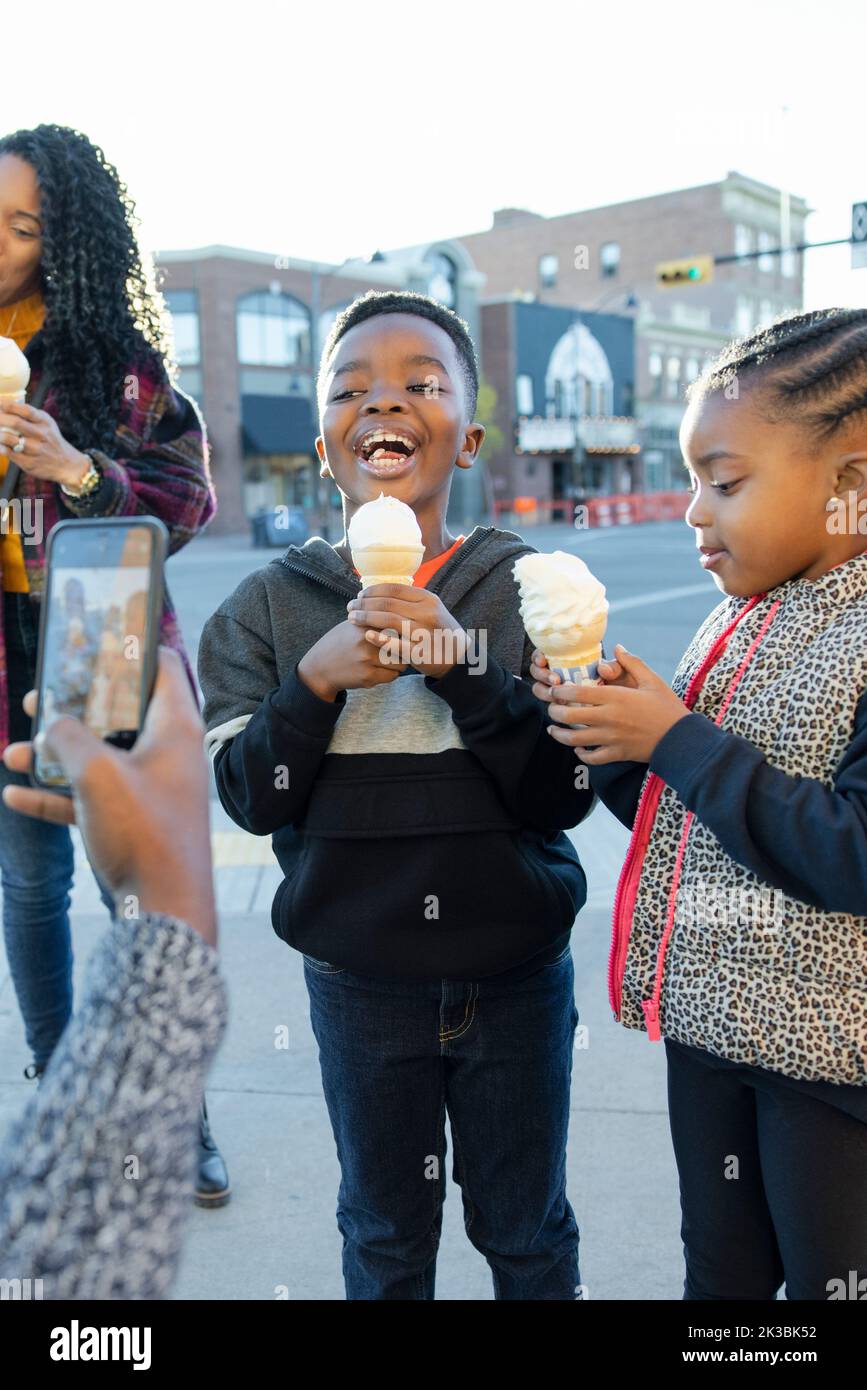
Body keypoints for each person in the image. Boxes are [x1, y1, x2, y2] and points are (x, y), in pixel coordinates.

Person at [197, 290, 596, 1300]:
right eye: (351, 388)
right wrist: (317, 682)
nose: (384, 402)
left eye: (421, 383)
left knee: (529, 1230)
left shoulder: (528, 588)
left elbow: (563, 794)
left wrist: (466, 670)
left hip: (514, 973)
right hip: (360, 979)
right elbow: (252, 796)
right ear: (326, 440)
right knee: (383, 1234)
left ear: (467, 438)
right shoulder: (265, 609)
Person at [533, 307, 867, 1300]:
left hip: (830, 1058)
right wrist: (611, 742)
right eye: (692, 481)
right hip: (711, 1031)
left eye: (723, 482)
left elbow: (851, 852)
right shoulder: (735, 620)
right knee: (720, 1273)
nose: (692, 510)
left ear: (850, 483)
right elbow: (692, 822)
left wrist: (674, 736)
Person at [0, 123, 228, 1204]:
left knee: (131, 885)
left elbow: (186, 500)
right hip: (4, 660)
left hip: (100, 643)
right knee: (28, 886)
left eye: (21, 226)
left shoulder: (111, 362)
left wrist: (76, 468)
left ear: (64, 240)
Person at [0, 649, 227, 1299]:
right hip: (8, 687)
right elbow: (64, 1282)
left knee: (114, 885)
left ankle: (176, 1119)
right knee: (32, 886)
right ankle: (59, 1090)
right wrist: (177, 902)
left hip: (116, 666)